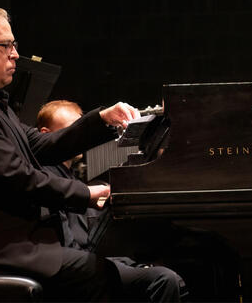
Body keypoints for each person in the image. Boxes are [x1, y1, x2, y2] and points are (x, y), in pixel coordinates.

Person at [0, 3, 141, 301]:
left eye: (13, 45)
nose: (15, 53)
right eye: (5, 45)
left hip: (14, 244)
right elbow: (18, 178)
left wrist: (102, 119)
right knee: (97, 273)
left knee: (111, 271)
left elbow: (42, 145)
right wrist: (86, 193)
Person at [37, 100, 187, 302]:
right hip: (67, 272)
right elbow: (72, 248)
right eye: (73, 129)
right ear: (46, 134)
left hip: (83, 262)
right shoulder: (47, 179)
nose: (80, 136)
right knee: (163, 279)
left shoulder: (68, 177)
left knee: (164, 269)